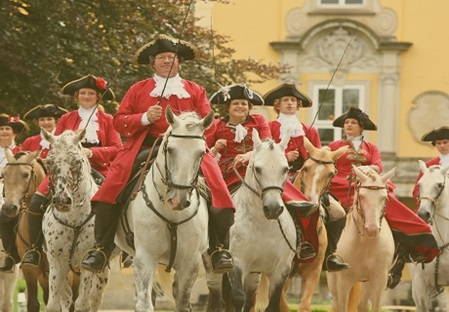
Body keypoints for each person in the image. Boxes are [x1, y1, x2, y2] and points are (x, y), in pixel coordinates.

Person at [81, 34, 236, 274]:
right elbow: (119, 122)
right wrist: (144, 118)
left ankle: (218, 248)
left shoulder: (195, 90)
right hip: (146, 148)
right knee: (111, 188)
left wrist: (189, 123)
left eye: (172, 58)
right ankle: (101, 248)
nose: (167, 61)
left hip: (187, 150)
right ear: (153, 63)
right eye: (162, 58)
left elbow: (210, 124)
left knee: (219, 190)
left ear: (179, 63)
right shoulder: (138, 89)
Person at [327, 107, 439, 289]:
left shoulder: (371, 147)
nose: (348, 125)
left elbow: (378, 165)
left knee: (390, 203)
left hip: (370, 183)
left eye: (353, 122)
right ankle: (326, 251)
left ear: (361, 127)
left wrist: (369, 169)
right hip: (342, 186)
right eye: (346, 122)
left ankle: (409, 244)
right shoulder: (334, 147)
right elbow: (330, 166)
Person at [19, 74, 123, 268]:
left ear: (98, 96)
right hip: (64, 169)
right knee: (35, 201)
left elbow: (117, 148)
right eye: (82, 93)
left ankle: (114, 247)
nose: (86, 96)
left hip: (98, 168)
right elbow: (55, 144)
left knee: (118, 200)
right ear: (77, 96)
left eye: (91, 93)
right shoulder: (67, 118)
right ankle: (34, 249)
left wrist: (90, 152)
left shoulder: (108, 119)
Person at [206, 83, 319, 261]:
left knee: (285, 195)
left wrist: (248, 155)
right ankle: (217, 246)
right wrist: (215, 149)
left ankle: (301, 240)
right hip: (227, 171)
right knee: (213, 206)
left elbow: (267, 143)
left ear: (249, 107)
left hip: (259, 165)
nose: (240, 107)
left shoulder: (258, 121)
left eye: (244, 104)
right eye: (236, 103)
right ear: (228, 107)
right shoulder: (216, 124)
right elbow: (204, 152)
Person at [264, 83, 349, 272]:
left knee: (338, 213)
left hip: (307, 178)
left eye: (293, 100)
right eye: (285, 100)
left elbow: (318, 156)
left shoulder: (309, 131)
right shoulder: (269, 127)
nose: (290, 103)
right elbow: (264, 153)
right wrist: (284, 156)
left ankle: (330, 255)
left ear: (298, 105)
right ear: (277, 105)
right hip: (278, 178)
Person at [0, 115, 29, 272]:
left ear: (14, 133)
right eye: (1, 129)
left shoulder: (21, 151)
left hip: (13, 192)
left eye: (7, 129)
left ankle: (12, 253)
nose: (4, 132)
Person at [412, 126, 449, 205]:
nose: (442, 146)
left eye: (445, 142)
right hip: (433, 206)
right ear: (435, 144)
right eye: (438, 143)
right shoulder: (429, 165)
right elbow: (417, 190)